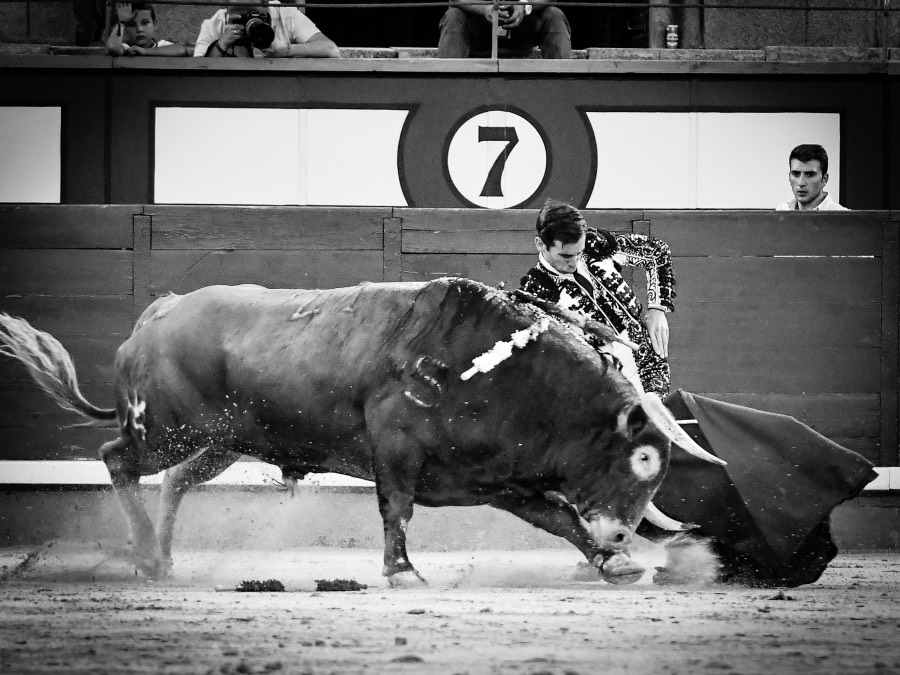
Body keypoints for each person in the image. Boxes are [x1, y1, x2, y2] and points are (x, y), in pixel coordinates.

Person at [520, 200, 674, 396]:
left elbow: (656, 253)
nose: (575, 263)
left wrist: (657, 308)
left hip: (653, 375)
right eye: (566, 256)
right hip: (608, 396)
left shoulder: (596, 247)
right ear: (540, 244)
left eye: (579, 252)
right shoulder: (537, 295)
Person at [194, 0, 339, 58]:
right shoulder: (215, 23)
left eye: (253, 13)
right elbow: (198, 72)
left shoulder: (286, 14)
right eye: (241, 14)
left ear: (266, 5)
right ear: (226, 8)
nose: (248, 19)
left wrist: (286, 51)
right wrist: (221, 45)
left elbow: (330, 49)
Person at [437, 0, 571, 59]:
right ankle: (446, 87)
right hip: (479, 29)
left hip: (523, 29)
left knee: (555, 14)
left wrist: (524, 6)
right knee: (453, 15)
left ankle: (564, 86)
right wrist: (483, 8)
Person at [776, 144, 848, 211]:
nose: (801, 183)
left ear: (824, 179)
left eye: (810, 175)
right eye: (796, 174)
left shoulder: (847, 218)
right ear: (789, 177)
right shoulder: (781, 211)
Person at [106, 3, 188, 56]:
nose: (139, 29)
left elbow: (181, 50)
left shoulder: (161, 45)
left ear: (154, 24)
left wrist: (144, 51)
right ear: (125, 28)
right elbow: (113, 48)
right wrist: (122, 23)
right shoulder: (126, 48)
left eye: (145, 23)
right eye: (131, 25)